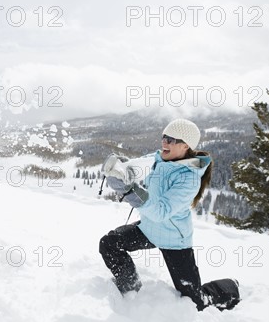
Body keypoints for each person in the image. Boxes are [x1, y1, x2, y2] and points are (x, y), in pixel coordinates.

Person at [99, 118, 240, 311]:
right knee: (109, 244)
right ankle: (130, 288)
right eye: (164, 137)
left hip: (174, 240)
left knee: (195, 301)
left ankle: (230, 287)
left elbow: (161, 212)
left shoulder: (188, 178)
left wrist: (130, 191)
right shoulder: (157, 159)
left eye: (171, 139)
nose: (164, 142)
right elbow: (133, 169)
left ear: (185, 146)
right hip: (149, 229)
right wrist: (121, 168)